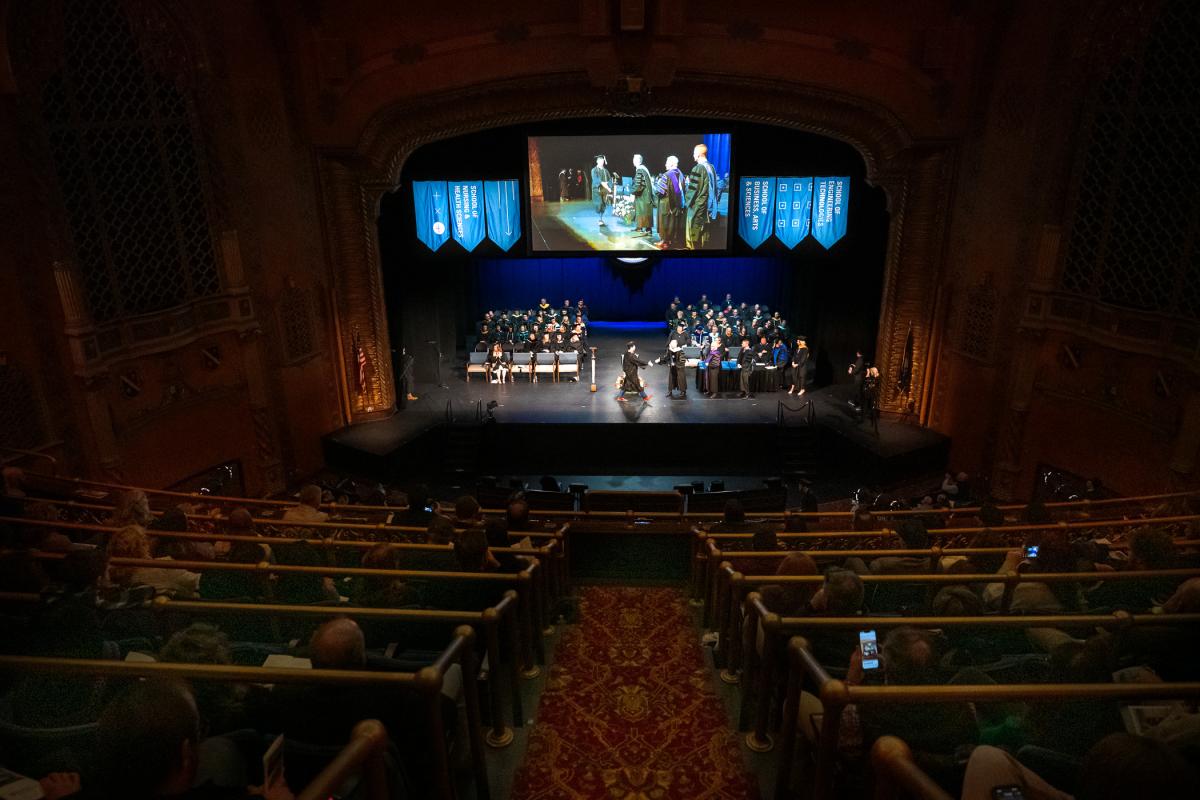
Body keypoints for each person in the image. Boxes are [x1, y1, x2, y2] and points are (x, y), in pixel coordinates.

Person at [685, 144, 719, 249]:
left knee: (693, 234)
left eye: (694, 153)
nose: (693, 155)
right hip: (709, 206)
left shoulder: (699, 168)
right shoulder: (711, 167)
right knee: (704, 234)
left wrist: (686, 202)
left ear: (699, 154)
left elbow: (693, 190)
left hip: (698, 207)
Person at [654, 155, 685, 250]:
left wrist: (655, 188)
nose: (665, 164)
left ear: (671, 163)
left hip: (666, 204)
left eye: (667, 162)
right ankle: (671, 240)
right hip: (676, 205)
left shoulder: (667, 175)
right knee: (672, 222)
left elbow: (660, 192)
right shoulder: (681, 174)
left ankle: (664, 241)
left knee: (665, 222)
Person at [631, 154, 654, 235]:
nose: (633, 161)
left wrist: (631, 192)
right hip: (645, 195)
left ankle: (648, 230)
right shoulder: (643, 169)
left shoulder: (640, 170)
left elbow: (638, 185)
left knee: (644, 212)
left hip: (643, 196)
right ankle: (639, 227)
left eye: (634, 159)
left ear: (637, 160)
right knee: (643, 212)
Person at [591, 155, 612, 227]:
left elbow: (609, 180)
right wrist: (607, 186)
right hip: (597, 190)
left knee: (603, 205)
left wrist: (610, 186)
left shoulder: (606, 171)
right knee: (599, 204)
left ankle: (601, 219)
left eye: (602, 161)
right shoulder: (594, 170)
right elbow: (597, 181)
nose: (601, 162)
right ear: (597, 161)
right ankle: (599, 219)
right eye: (600, 161)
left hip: (604, 191)